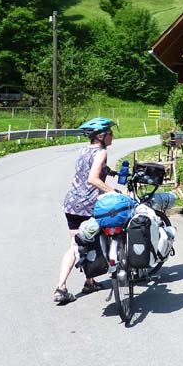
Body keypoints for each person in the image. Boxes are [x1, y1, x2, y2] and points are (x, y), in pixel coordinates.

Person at [54, 117, 118, 305]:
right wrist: (112, 192)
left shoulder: (84, 150)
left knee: (78, 244)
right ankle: (65, 286)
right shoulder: (101, 152)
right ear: (101, 136)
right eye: (110, 133)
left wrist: (109, 171)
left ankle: (83, 284)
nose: (112, 136)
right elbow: (92, 179)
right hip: (88, 206)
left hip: (72, 204)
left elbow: (86, 170)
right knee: (91, 242)